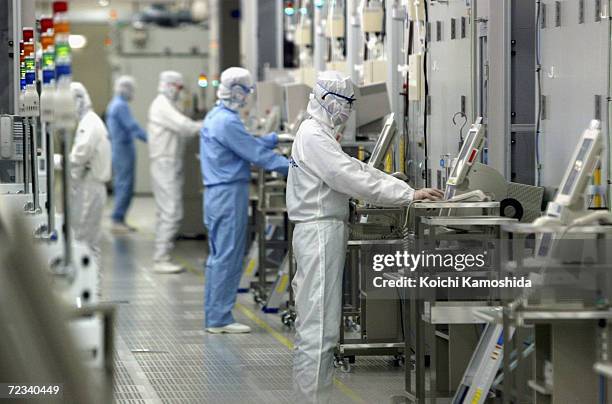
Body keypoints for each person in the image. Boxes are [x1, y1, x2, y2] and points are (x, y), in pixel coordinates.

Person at [286, 71, 443, 403]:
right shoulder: (314, 135)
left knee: (320, 326)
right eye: (345, 105)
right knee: (320, 330)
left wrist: (407, 191)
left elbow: (358, 171)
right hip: (318, 232)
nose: (347, 112)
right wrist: (406, 196)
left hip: (322, 230)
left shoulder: (319, 133)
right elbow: (348, 177)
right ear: (329, 101)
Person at [200, 67, 289, 334]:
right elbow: (256, 155)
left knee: (220, 256)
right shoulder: (227, 121)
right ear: (237, 91)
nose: (248, 96)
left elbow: (243, 143)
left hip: (219, 194)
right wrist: (296, 167)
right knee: (227, 256)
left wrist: (274, 138)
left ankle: (216, 315)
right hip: (228, 194)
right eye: (246, 90)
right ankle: (219, 319)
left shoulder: (218, 116)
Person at [147, 71, 202, 273]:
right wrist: (208, 124)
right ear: (171, 86)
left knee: (167, 210)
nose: (180, 92)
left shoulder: (167, 105)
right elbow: (184, 127)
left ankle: (162, 254)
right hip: (164, 162)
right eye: (179, 88)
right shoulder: (161, 105)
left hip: (169, 162)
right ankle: (160, 258)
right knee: (170, 211)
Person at [69, 82, 112, 294]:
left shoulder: (89, 123)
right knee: (89, 238)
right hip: (92, 186)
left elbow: (80, 154)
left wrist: (59, 162)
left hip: (90, 188)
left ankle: (88, 286)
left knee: (84, 238)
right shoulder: (91, 121)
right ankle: (91, 284)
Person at [106, 75, 148, 234]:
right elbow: (133, 126)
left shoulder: (116, 104)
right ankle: (117, 218)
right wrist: (151, 138)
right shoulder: (120, 106)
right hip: (123, 149)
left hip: (121, 148)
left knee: (123, 183)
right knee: (125, 184)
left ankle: (120, 218)